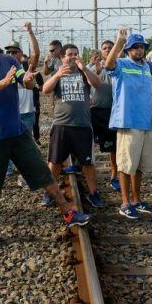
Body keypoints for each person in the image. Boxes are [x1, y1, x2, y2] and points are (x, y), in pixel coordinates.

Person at [0, 27, 90, 245]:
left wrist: (29, 80)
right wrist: (4, 83)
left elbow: (26, 81)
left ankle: (68, 212)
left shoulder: (9, 61)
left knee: (42, 171)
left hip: (17, 131)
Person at [104, 29, 152, 220]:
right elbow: (108, 64)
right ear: (128, 50)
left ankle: (137, 200)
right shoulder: (122, 64)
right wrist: (119, 41)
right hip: (128, 121)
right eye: (135, 47)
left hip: (144, 123)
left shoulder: (147, 68)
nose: (139, 50)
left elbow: (147, 95)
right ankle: (125, 203)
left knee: (139, 167)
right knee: (126, 165)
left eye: (142, 47)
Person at [42, 43, 103, 207]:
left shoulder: (84, 73)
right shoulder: (58, 73)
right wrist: (57, 76)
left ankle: (94, 194)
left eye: (76, 54)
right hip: (61, 124)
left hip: (82, 125)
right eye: (69, 54)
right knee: (54, 162)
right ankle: (49, 193)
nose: (73, 57)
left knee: (88, 163)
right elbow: (45, 90)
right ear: (62, 58)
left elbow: (97, 84)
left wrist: (85, 69)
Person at [4, 23, 40, 186]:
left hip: (26, 113)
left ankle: (26, 175)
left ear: (20, 53)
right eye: (9, 51)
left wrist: (30, 32)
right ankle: (8, 170)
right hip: (9, 113)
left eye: (14, 51)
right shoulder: (2, 68)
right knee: (6, 144)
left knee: (25, 146)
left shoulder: (26, 67)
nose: (11, 54)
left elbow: (36, 53)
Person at [89, 41, 120, 191]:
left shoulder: (120, 66)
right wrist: (97, 70)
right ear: (101, 52)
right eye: (105, 48)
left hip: (113, 111)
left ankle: (114, 176)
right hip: (95, 110)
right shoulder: (91, 67)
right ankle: (84, 170)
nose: (108, 50)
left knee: (114, 146)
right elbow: (89, 83)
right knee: (90, 143)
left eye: (110, 48)